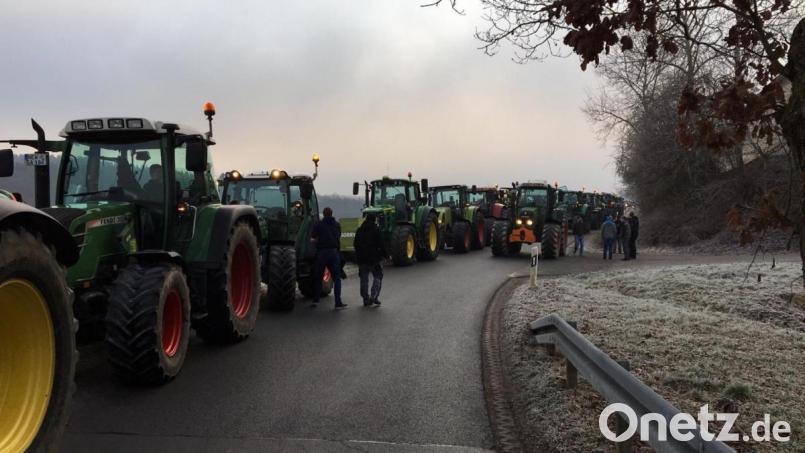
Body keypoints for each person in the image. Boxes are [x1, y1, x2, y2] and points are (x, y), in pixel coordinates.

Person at [311, 207, 345, 309]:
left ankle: (315, 300)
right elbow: (338, 236)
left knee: (318, 277)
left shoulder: (318, 224)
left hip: (322, 253)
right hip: (334, 252)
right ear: (331, 213)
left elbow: (313, 237)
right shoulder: (337, 225)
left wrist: (316, 241)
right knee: (336, 278)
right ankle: (338, 302)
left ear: (324, 214)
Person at [354, 213, 387, 307]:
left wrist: (358, 255)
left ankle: (365, 298)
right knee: (378, 276)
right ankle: (374, 296)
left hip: (362, 259)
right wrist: (386, 255)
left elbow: (355, 244)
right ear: (374, 220)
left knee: (364, 279)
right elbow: (381, 244)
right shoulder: (377, 230)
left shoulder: (359, 230)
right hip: (374, 259)